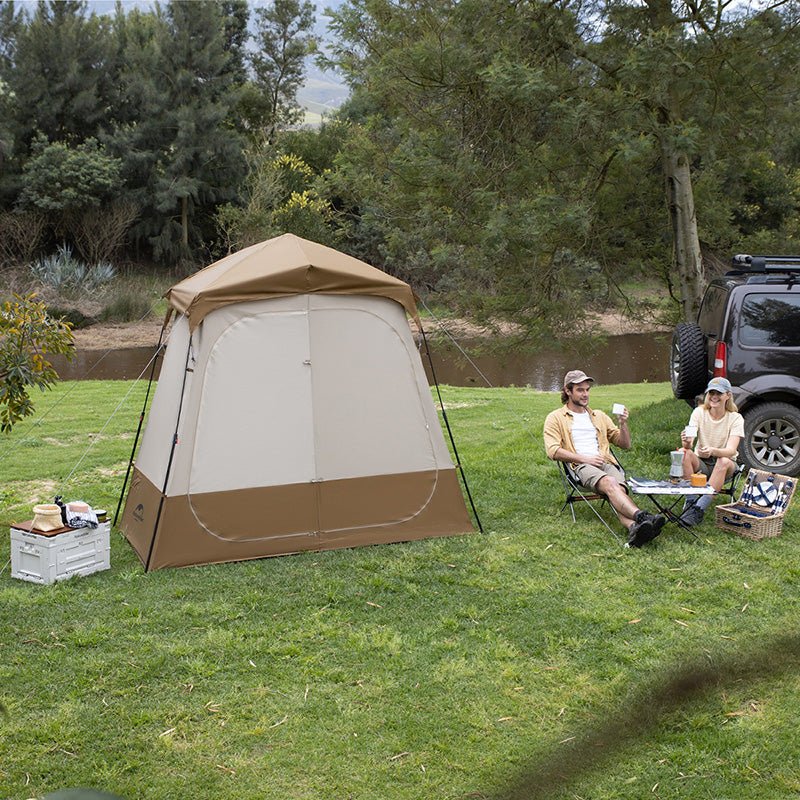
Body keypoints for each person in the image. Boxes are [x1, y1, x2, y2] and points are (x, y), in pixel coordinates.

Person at [543, 369, 665, 547]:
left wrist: (623, 424)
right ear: (568, 391)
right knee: (610, 484)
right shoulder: (555, 418)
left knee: (616, 489)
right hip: (580, 467)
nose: (585, 394)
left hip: (606, 463)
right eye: (580, 390)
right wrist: (584, 459)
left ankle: (634, 528)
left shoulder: (598, 416)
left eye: (587, 389)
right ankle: (642, 516)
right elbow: (552, 451)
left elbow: (625, 444)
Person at [678, 376, 744, 526]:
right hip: (702, 462)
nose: (714, 397)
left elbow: (731, 450)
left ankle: (698, 509)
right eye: (711, 393)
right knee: (683, 452)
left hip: (725, 465)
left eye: (718, 393)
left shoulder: (736, 418)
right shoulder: (698, 413)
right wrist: (686, 442)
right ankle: (690, 502)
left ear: (728, 395)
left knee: (723, 460)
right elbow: (689, 446)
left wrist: (713, 451)